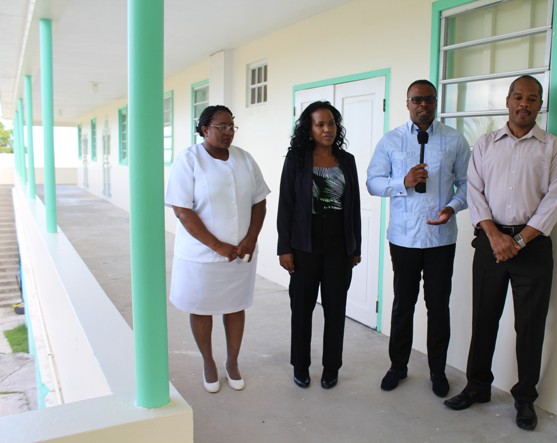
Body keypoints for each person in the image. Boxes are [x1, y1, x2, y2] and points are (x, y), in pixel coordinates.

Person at [444, 75, 557, 431]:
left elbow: (555, 202)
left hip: (532, 246)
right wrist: (495, 236)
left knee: (530, 326)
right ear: (507, 101)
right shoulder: (484, 144)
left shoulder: (553, 148)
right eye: (518, 97)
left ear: (539, 105)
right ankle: (478, 386)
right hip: (490, 241)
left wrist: (520, 241)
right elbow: (475, 191)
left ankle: (525, 398)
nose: (524, 104)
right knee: (483, 318)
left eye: (532, 98)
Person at [367, 79, 470, 397]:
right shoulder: (391, 141)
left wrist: (452, 208)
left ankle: (437, 371)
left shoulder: (454, 140)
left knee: (438, 307)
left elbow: (468, 184)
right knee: (403, 305)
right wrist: (404, 181)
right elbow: (373, 182)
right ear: (407, 103)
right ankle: (398, 366)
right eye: (417, 100)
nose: (423, 105)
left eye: (429, 99)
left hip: (441, 238)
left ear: (436, 102)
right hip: (404, 239)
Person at [165, 105, 270, 393]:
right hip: (202, 255)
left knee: (235, 307)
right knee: (202, 308)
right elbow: (182, 210)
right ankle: (208, 362)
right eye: (221, 126)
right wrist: (218, 246)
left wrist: (251, 238)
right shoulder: (189, 160)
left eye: (232, 126)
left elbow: (259, 201)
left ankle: (232, 362)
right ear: (203, 129)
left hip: (241, 253)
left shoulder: (245, 159)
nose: (228, 132)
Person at [277, 101, 361, 390]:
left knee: (336, 309)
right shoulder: (297, 159)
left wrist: (356, 245)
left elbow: (354, 207)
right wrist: (284, 247)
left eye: (331, 123)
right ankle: (300, 366)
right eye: (320, 124)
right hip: (304, 244)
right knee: (301, 308)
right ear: (309, 129)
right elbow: (285, 205)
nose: (327, 129)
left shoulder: (346, 160)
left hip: (339, 244)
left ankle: (331, 368)